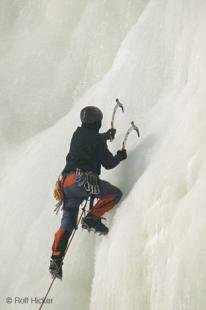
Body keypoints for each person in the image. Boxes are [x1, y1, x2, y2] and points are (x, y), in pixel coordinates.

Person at [49, 106, 127, 279]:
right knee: (114, 194)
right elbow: (109, 163)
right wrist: (120, 156)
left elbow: (90, 140)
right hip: (82, 181)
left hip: (66, 184)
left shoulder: (77, 134)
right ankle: (92, 217)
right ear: (97, 122)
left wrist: (106, 136)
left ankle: (55, 259)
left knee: (67, 223)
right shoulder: (96, 140)